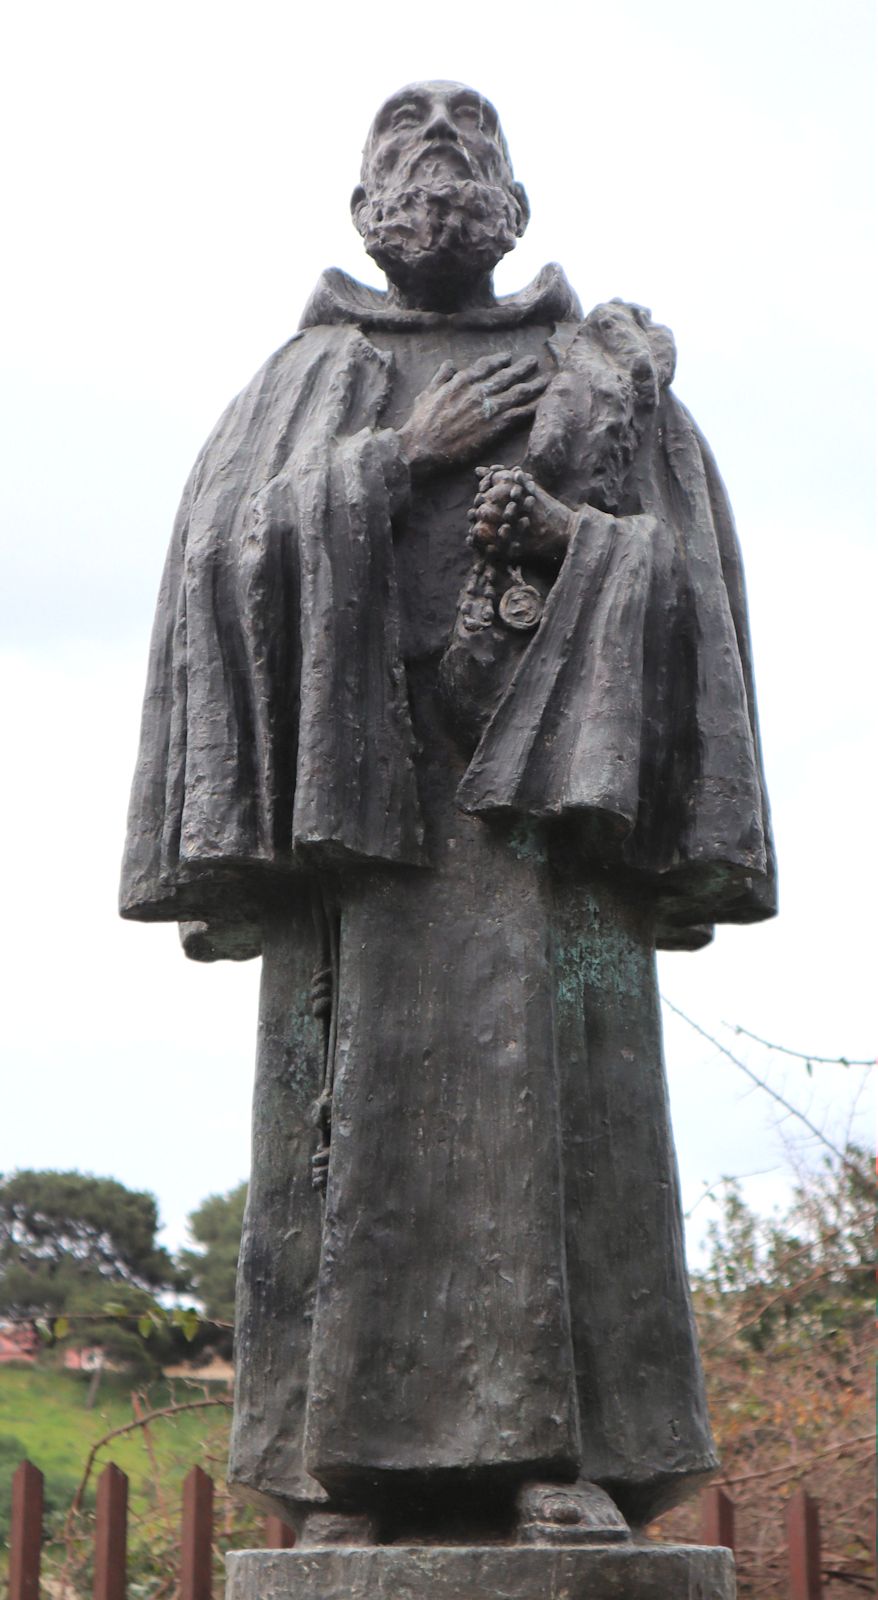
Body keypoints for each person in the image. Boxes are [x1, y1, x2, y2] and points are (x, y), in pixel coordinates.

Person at [121, 82, 776, 1544]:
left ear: (512, 208)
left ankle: (571, 1458)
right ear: (361, 214)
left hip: (549, 845)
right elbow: (217, 577)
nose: (430, 185)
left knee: (567, 1137)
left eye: (464, 164)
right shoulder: (303, 377)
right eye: (398, 171)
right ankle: (336, 1474)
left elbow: (688, 594)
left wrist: (562, 542)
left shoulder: (599, 374)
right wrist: (393, 462)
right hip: (368, 841)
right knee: (341, 1139)